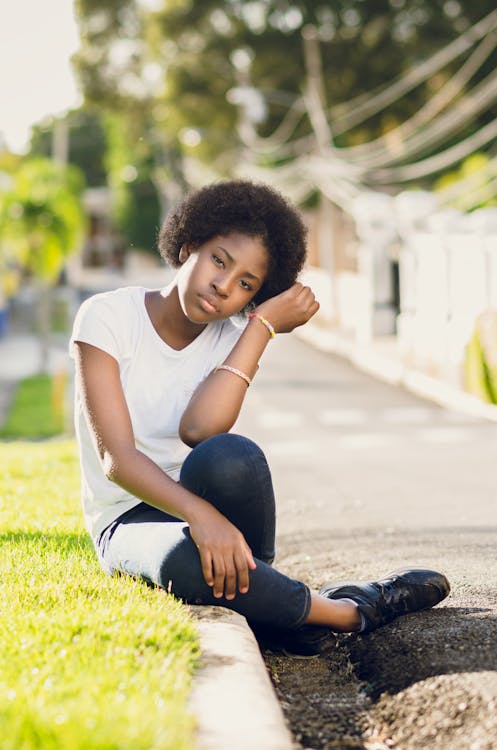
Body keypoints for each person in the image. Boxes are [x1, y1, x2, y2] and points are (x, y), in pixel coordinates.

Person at [70, 180, 450, 656]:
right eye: (219, 260)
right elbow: (117, 459)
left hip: (204, 502)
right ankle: (354, 609)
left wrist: (262, 327)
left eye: (246, 285)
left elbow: (200, 431)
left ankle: (274, 607)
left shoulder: (234, 335)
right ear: (189, 245)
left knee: (232, 456)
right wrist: (199, 515)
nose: (223, 287)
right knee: (178, 558)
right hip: (127, 519)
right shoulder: (106, 317)